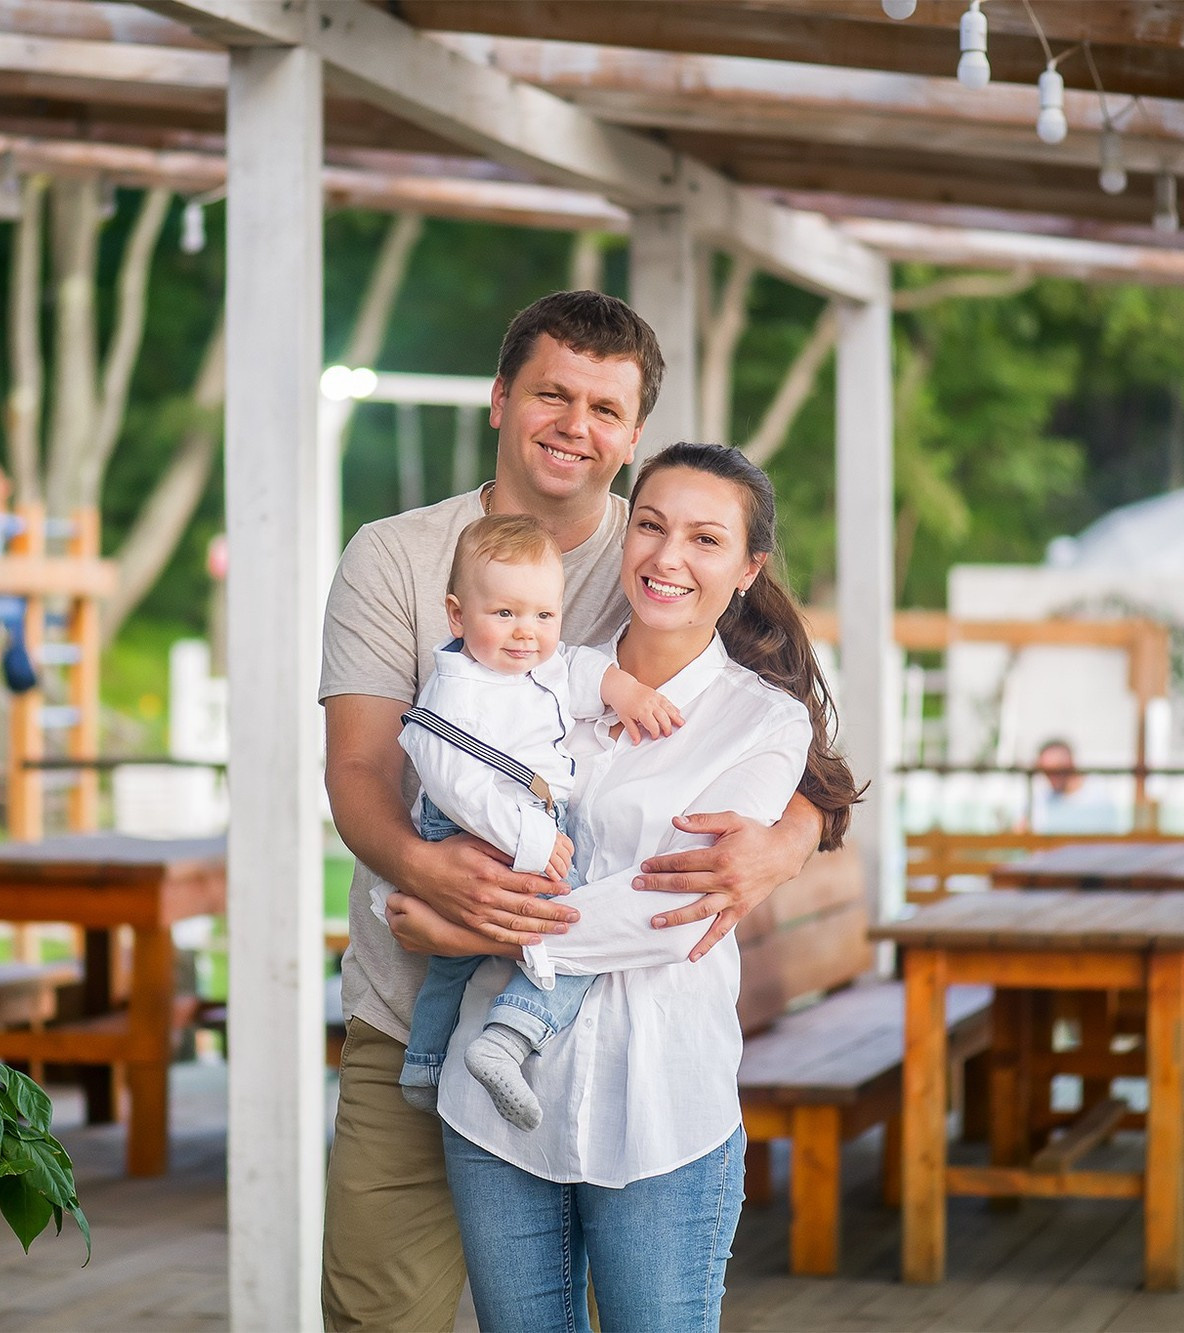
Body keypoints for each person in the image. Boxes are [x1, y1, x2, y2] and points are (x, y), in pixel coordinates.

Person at [318, 290, 840, 1331]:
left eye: (604, 409)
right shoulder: (398, 556)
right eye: (551, 394)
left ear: (632, 435)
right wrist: (431, 896)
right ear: (499, 399)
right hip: (413, 995)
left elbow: (800, 760)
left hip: (616, 1042)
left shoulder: (655, 559)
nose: (574, 425)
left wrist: (779, 847)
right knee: (380, 1312)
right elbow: (359, 773)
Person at [391, 514, 681, 1130]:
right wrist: (531, 838)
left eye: (543, 617)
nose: (527, 634)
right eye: (505, 615)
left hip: (532, 817)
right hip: (487, 828)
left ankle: (423, 1064)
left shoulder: (534, 664)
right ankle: (510, 1037)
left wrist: (625, 691)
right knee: (573, 928)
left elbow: (577, 668)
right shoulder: (455, 694)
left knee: (452, 961)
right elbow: (457, 786)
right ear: (457, 615)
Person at [1026, 737, 1124, 834]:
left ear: (1071, 764)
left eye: (1057, 770)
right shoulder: (1042, 798)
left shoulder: (1098, 796)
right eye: (1046, 772)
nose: (1051, 777)